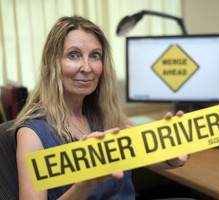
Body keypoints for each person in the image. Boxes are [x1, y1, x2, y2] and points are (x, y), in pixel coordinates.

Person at [12, 15, 188, 200]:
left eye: (95, 56)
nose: (87, 67)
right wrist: (84, 184)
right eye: (73, 55)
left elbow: (152, 158)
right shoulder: (32, 134)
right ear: (53, 63)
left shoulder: (106, 114)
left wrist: (172, 156)